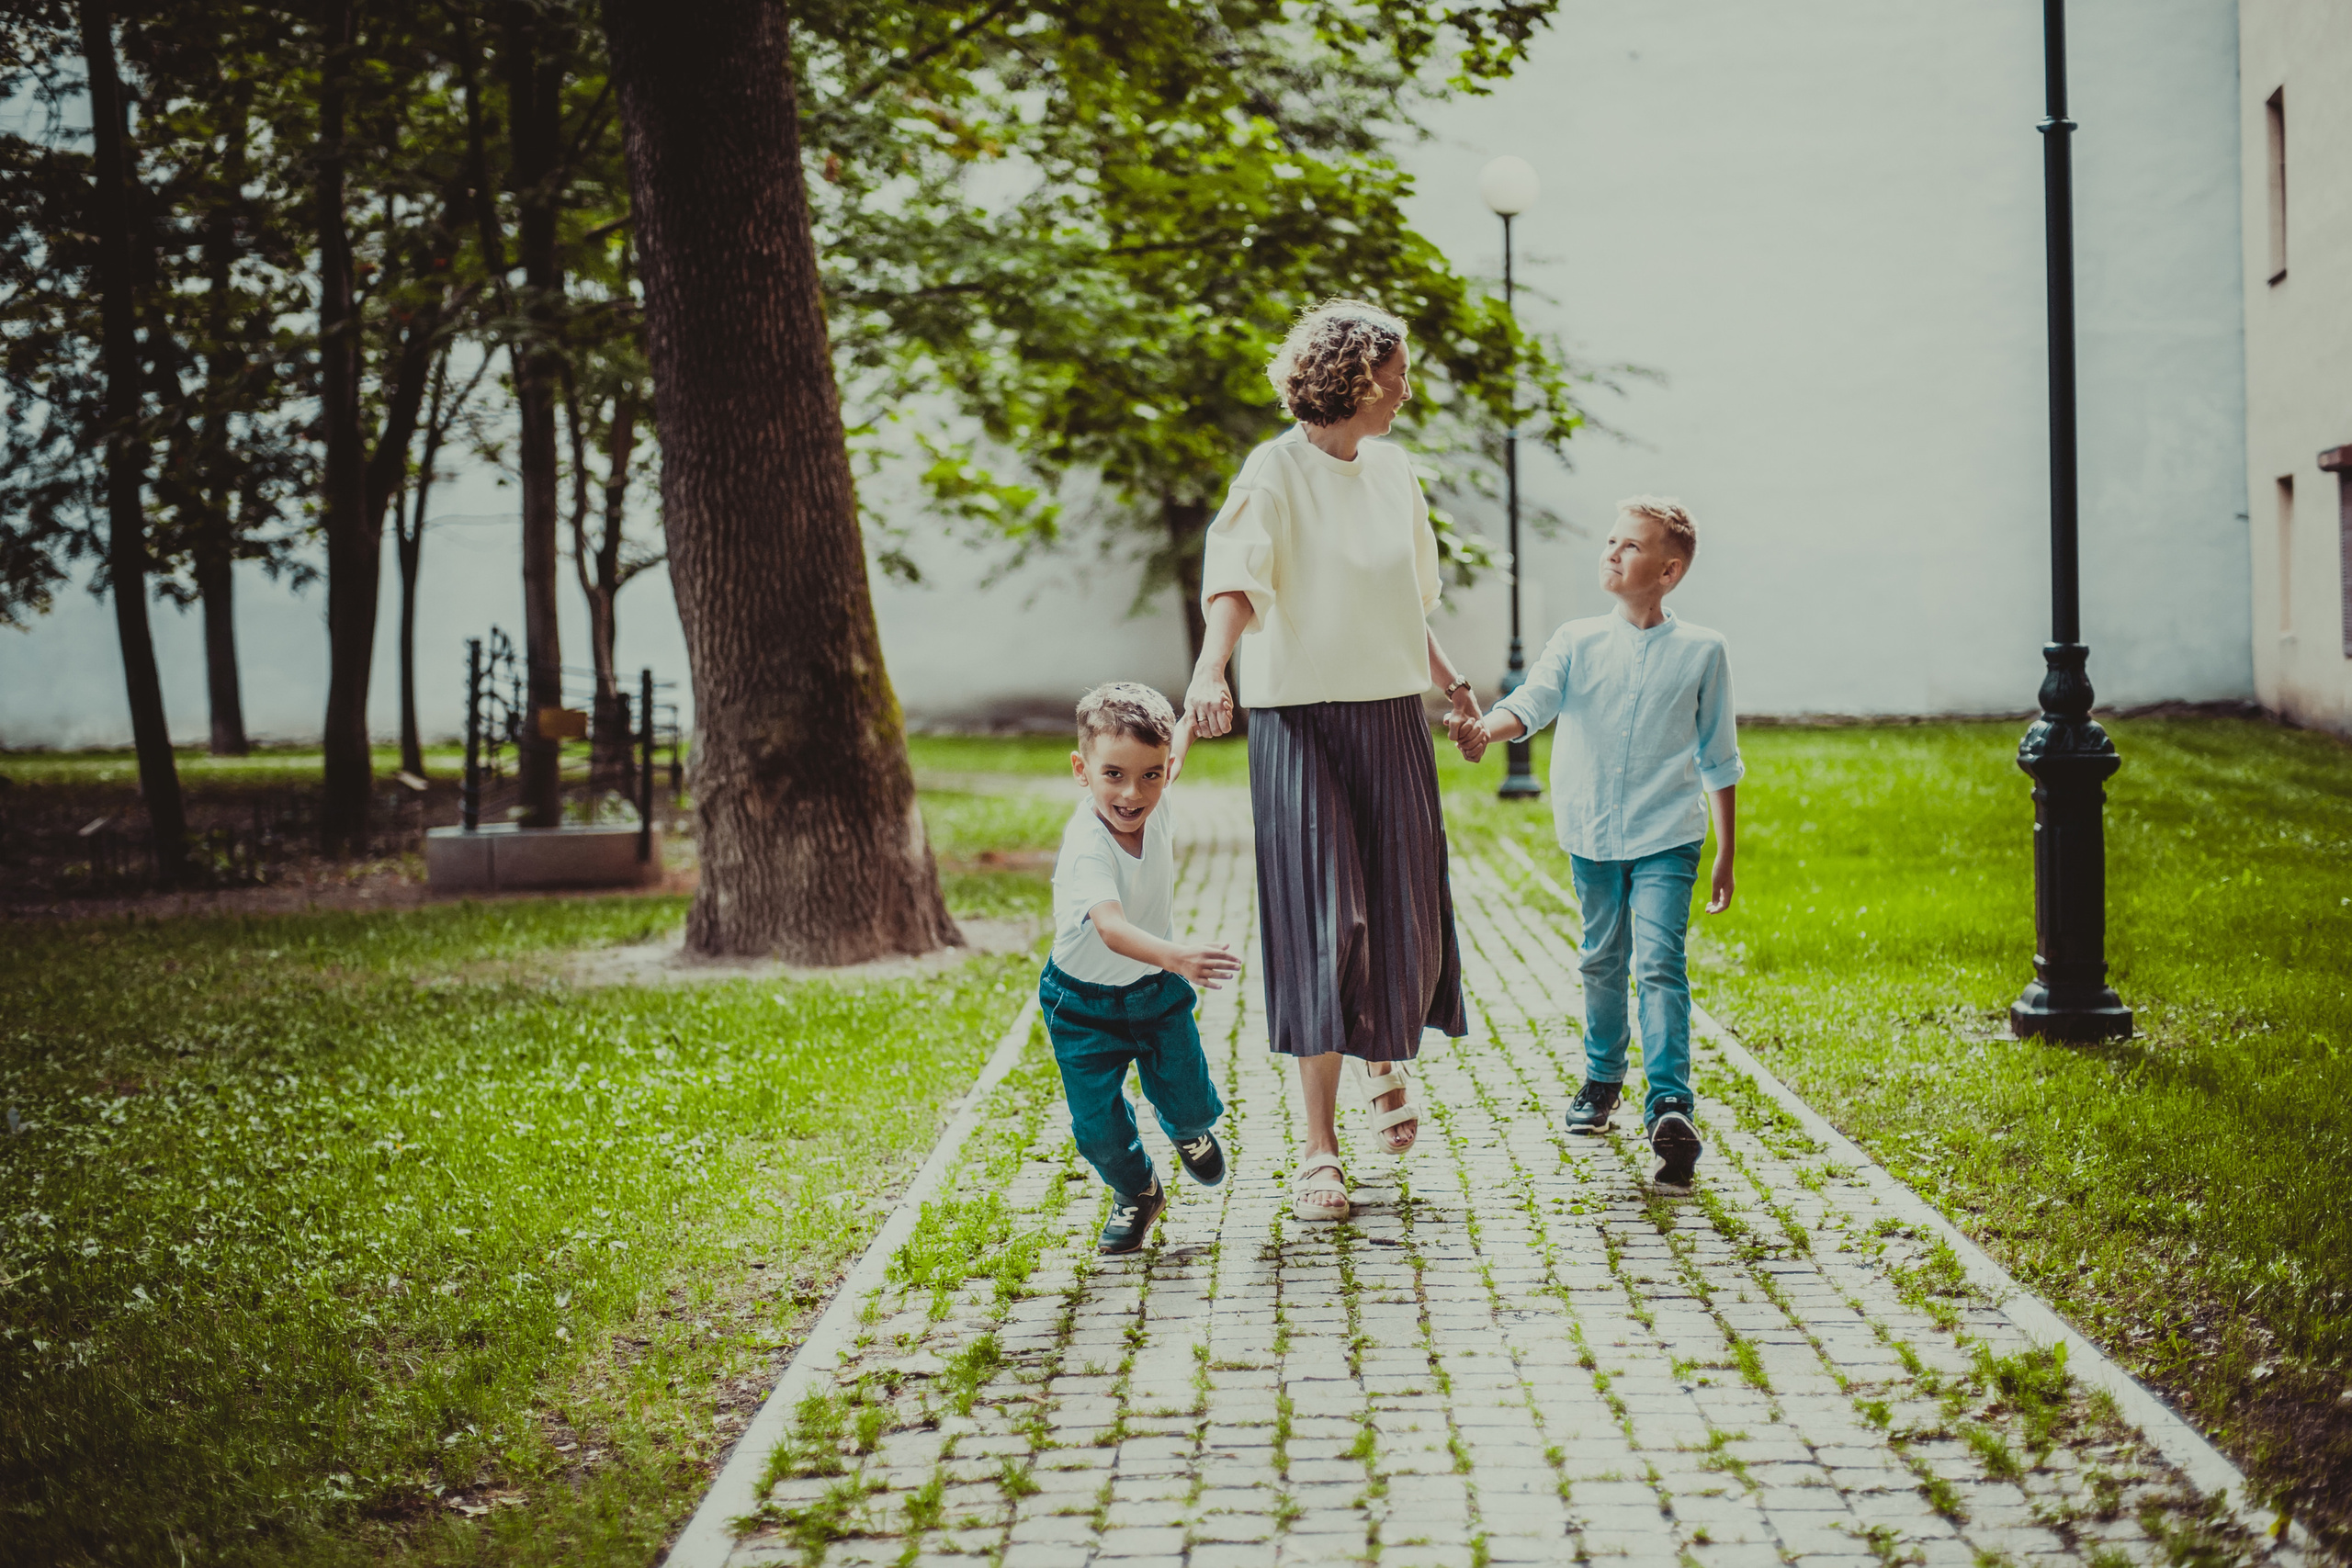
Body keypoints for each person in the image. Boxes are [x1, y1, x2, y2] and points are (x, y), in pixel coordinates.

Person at [1184, 299, 1479, 1224]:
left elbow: (1407, 602)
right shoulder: (1273, 470)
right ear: (1351, 379)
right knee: (1325, 918)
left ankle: (1381, 1058)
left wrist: (1453, 683)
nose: (1402, 392)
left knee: (1397, 914)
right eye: (1392, 377)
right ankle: (1318, 1149)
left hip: (1390, 713)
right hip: (1298, 720)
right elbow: (1237, 576)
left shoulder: (1393, 472)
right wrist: (1208, 673)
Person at [1450, 497, 1743, 1193]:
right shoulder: (1577, 639)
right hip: (1591, 834)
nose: (1612, 552)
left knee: (1662, 965)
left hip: (1668, 833)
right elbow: (1534, 700)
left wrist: (1727, 852)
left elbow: (1720, 758)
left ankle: (1670, 1103)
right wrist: (1483, 731)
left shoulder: (1704, 650)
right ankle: (1603, 1077)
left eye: (1631, 546)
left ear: (1668, 571)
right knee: (1601, 960)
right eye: (1610, 541)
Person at [1043, 682, 1239, 1256]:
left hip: (1153, 994)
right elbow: (1110, 927)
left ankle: (1188, 1129)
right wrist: (1177, 956)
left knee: (1186, 1097)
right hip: (1081, 1005)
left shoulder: (1158, 793)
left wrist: (1198, 714)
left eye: (1150, 776)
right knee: (1096, 1128)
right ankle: (1137, 1190)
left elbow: (1176, 744)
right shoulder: (1088, 846)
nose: (1133, 794)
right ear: (1082, 770)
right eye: (1114, 776)